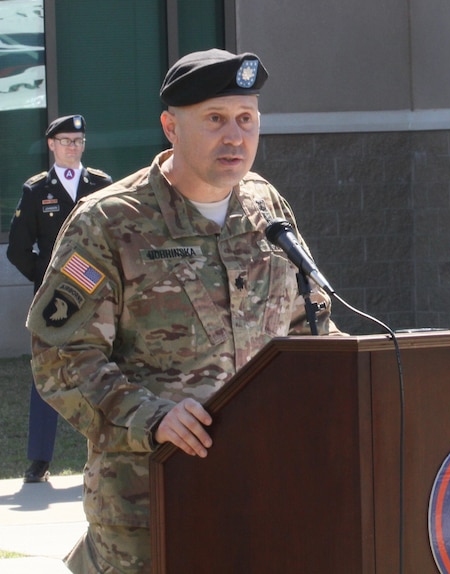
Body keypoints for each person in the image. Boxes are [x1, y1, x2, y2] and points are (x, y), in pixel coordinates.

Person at [26, 49, 340, 573]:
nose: (235, 137)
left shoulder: (265, 206)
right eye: (214, 120)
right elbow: (61, 359)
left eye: (245, 119)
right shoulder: (108, 222)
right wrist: (154, 418)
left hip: (264, 495)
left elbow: (311, 327)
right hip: (148, 508)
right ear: (171, 126)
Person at [7, 114, 112, 483]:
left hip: (100, 298)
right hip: (56, 301)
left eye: (79, 141)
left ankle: (110, 447)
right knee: (47, 374)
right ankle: (39, 459)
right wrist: (49, 279)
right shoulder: (37, 191)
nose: (73, 147)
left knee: (106, 370)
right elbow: (18, 249)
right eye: (66, 141)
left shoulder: (100, 185)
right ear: (51, 144)